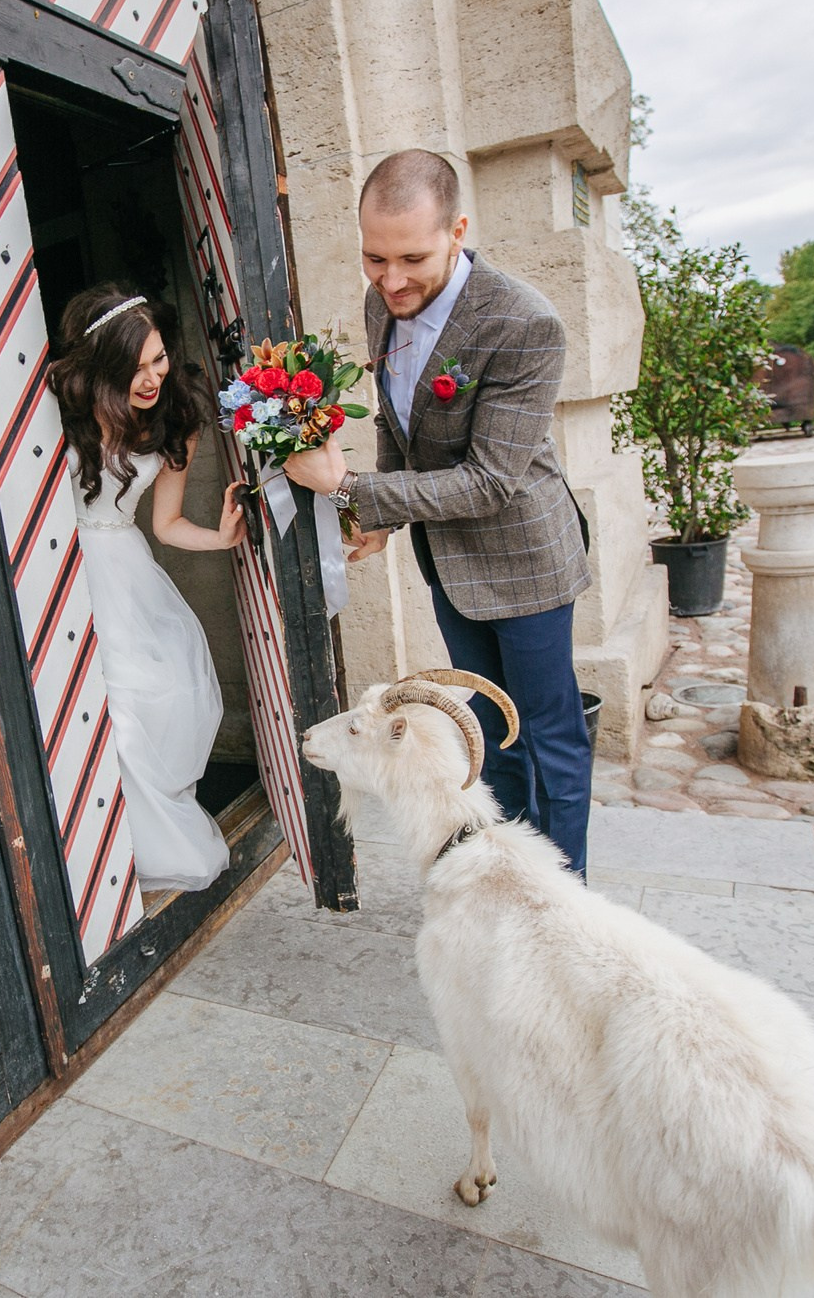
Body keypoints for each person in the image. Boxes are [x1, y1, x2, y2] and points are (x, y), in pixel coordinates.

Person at [283, 149, 595, 876]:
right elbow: (402, 427)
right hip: (450, 561)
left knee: (551, 737)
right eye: (374, 257)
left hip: (527, 558)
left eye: (412, 258)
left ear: (458, 231)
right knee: (489, 731)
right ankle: (509, 877)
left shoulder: (525, 323)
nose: (391, 279)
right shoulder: (380, 304)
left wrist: (349, 488)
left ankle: (563, 902)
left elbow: (489, 482)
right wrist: (383, 519)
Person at [49, 284, 246, 891]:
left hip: (125, 570)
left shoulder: (176, 416)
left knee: (159, 700)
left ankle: (142, 841)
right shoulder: (61, 410)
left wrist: (220, 538)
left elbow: (164, 524)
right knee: (105, 713)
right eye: (133, 368)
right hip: (62, 567)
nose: (151, 378)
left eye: (158, 359)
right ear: (102, 368)